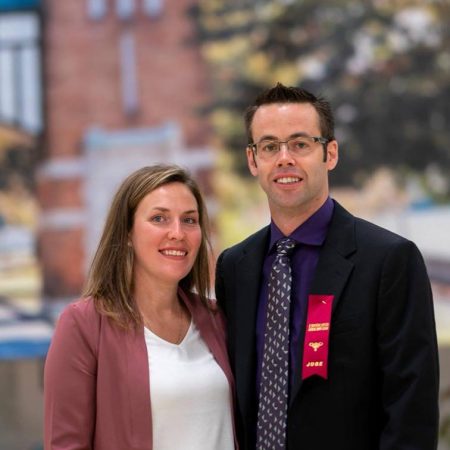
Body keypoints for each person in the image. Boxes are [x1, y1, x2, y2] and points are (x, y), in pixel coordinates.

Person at [215, 83, 439, 450]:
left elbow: (411, 411)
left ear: (330, 153)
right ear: (253, 160)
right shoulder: (234, 268)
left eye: (300, 144)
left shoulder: (389, 260)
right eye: (269, 147)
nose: (284, 158)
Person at [44, 164, 237, 450]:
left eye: (189, 220)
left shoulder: (217, 318)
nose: (177, 233)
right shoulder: (83, 325)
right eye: (159, 218)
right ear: (126, 233)